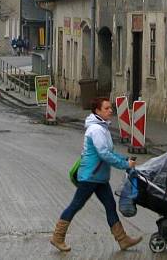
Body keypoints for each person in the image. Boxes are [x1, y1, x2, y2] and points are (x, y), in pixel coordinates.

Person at [50, 98, 142, 252]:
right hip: (90, 177)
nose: (110, 110)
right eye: (106, 108)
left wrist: (124, 159)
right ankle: (57, 237)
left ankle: (123, 240)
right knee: (76, 205)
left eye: (110, 108)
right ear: (97, 111)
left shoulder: (102, 128)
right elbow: (104, 154)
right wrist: (125, 165)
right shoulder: (96, 130)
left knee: (110, 206)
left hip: (99, 178)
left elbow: (109, 152)